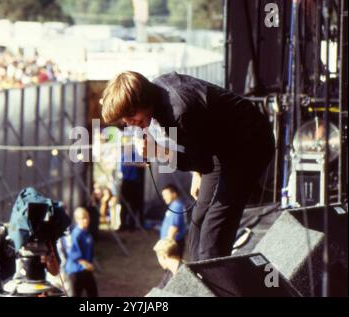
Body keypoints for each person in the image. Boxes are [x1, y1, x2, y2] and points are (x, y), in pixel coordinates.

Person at [101, 71, 275, 262]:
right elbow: (198, 144)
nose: (127, 122)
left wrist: (158, 151)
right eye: (123, 119)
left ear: (141, 100)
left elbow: (203, 162)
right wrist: (196, 174)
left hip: (249, 145)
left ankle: (214, 284)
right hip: (219, 146)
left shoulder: (180, 110)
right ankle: (196, 275)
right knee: (198, 219)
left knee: (213, 231)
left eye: (129, 115)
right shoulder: (157, 93)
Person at [64, 207, 98, 297]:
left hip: (86, 269)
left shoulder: (87, 233)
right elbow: (73, 253)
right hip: (76, 271)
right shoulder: (76, 234)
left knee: (93, 293)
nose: (86, 220)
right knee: (76, 294)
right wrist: (86, 264)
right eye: (83, 218)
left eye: (87, 218)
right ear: (77, 220)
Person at [160, 184, 187, 257]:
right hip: (174, 242)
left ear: (174, 194)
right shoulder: (175, 205)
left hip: (173, 242)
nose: (164, 197)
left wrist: (167, 246)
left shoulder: (176, 206)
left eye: (166, 194)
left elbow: (174, 227)